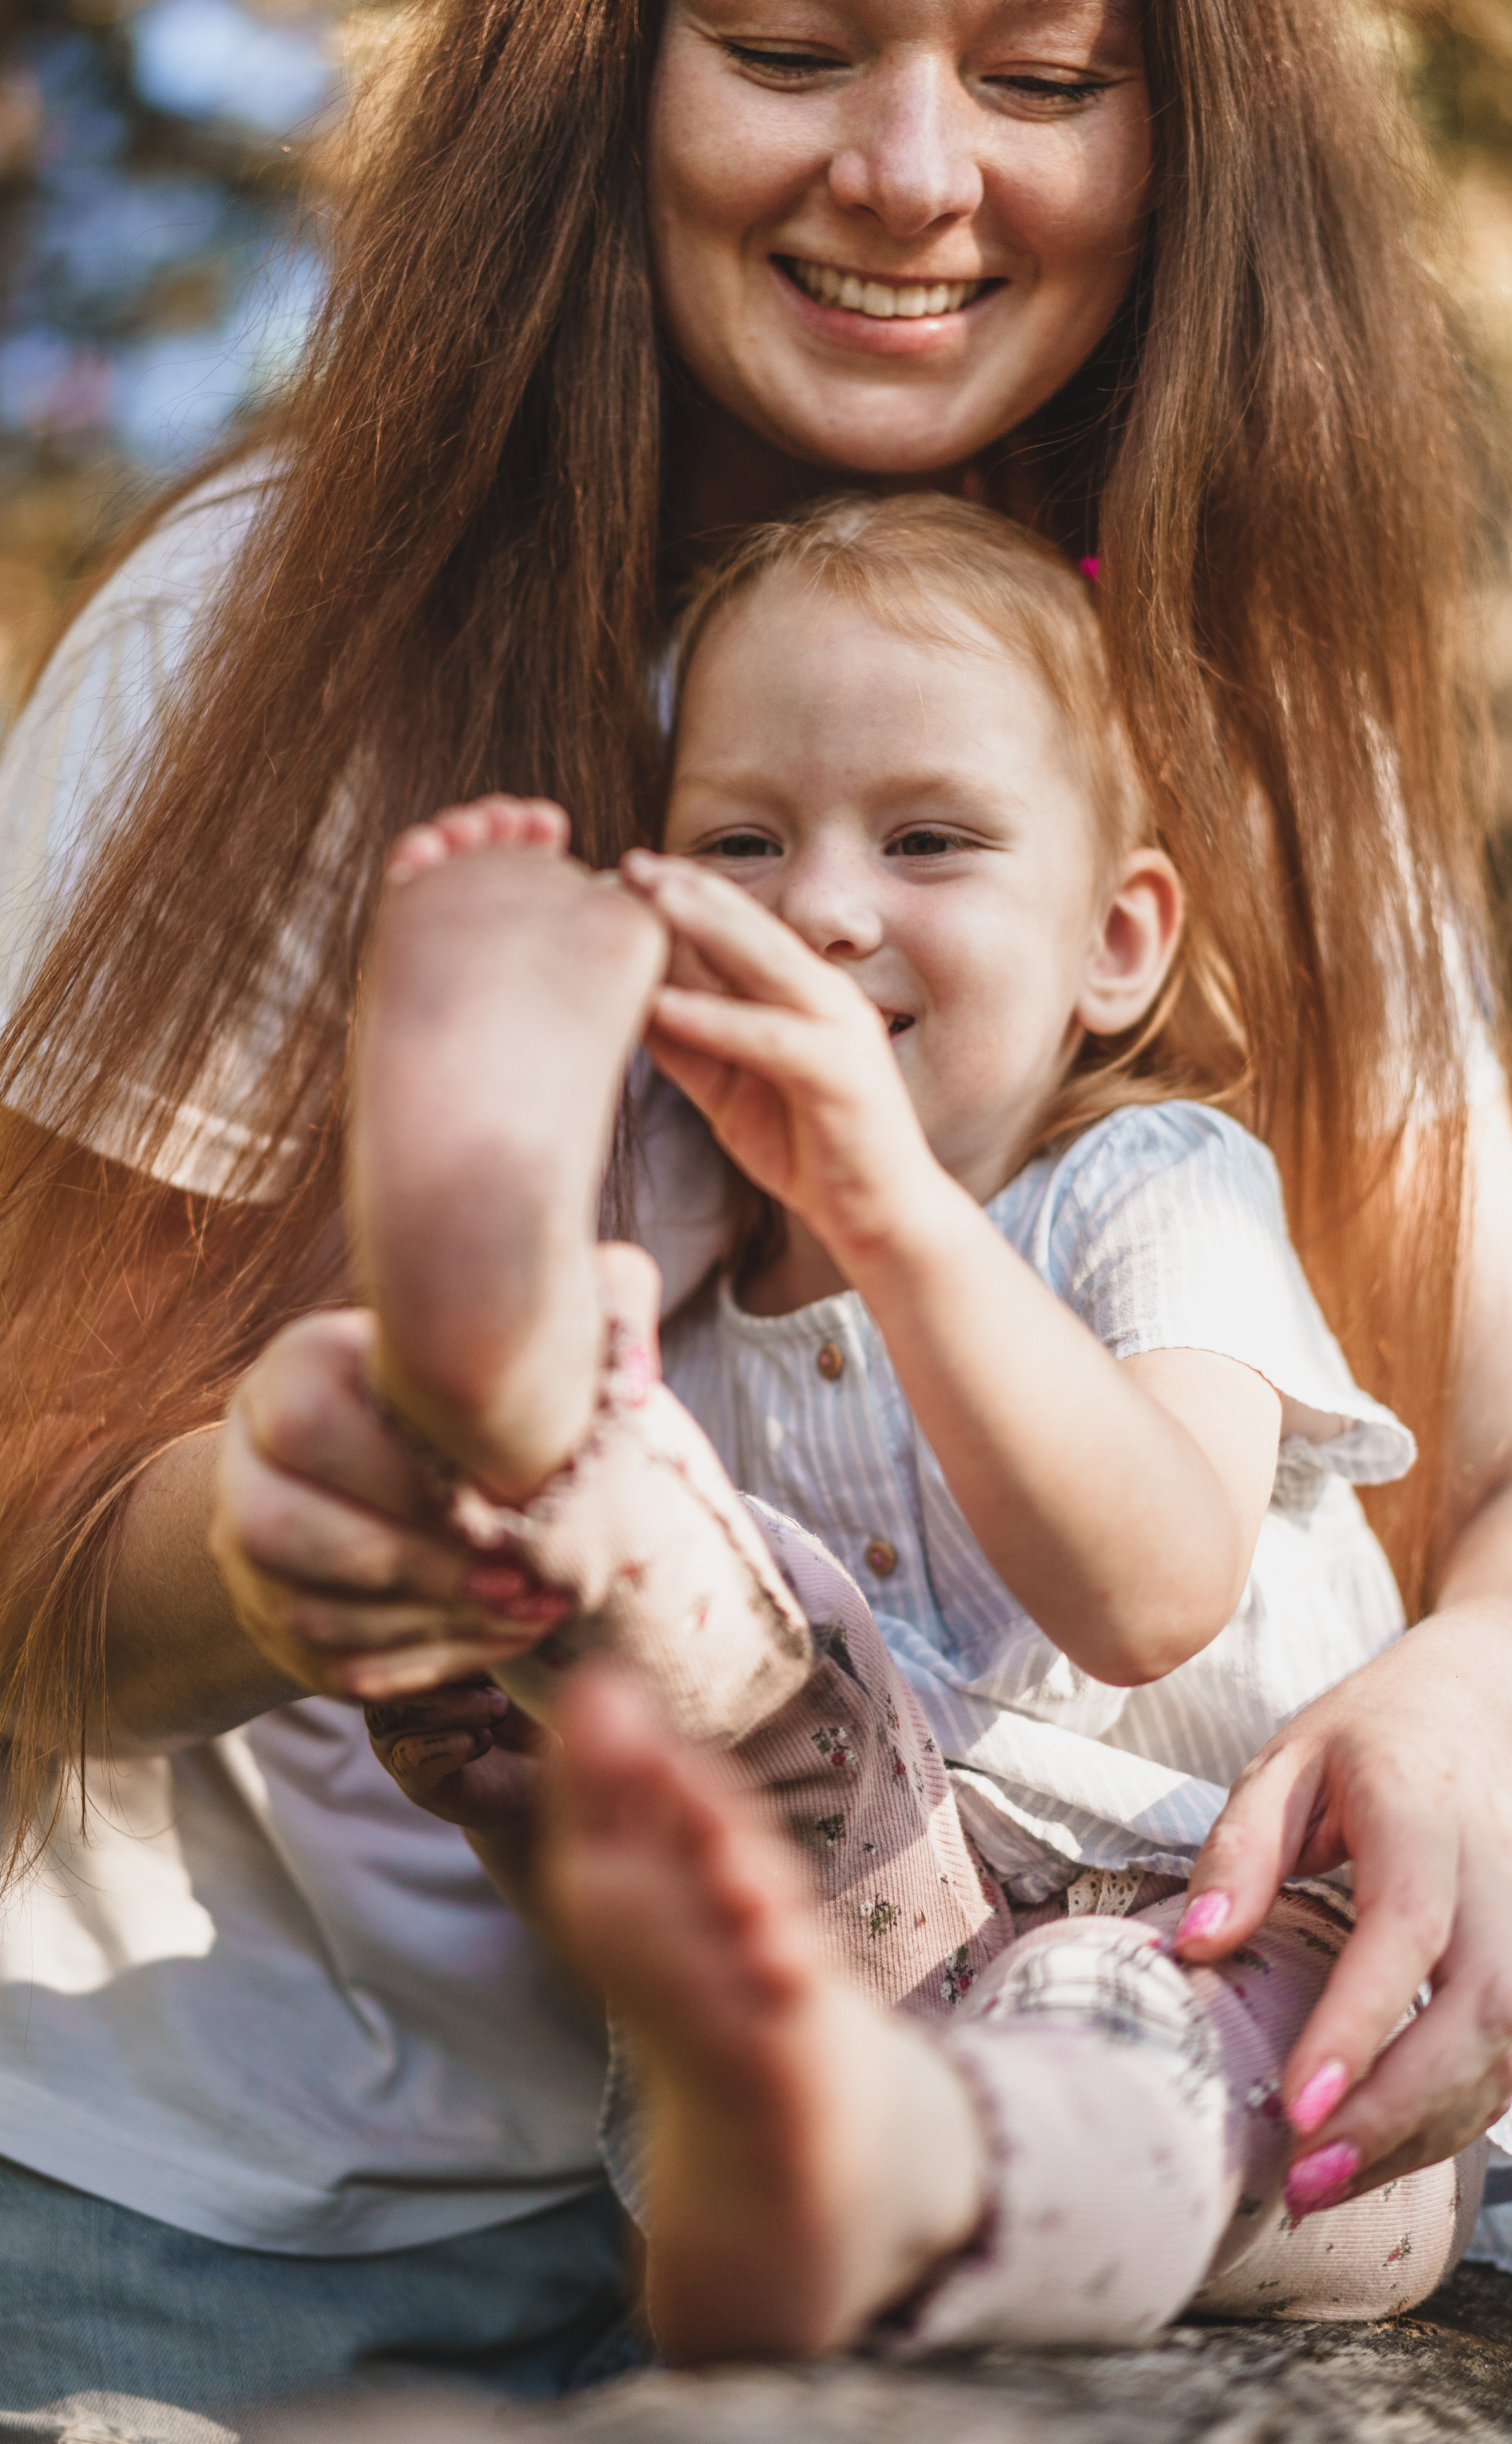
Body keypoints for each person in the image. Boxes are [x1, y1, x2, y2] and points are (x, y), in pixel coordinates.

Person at [0, 0, 1509, 2428]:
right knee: (666, 1532)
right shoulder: (265, 627)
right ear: (593, 81)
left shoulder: (1242, 685)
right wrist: (303, 1536)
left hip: (873, 2130)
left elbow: (1480, 1458)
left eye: (1047, 75)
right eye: (789, 46)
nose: (921, 174)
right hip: (216, 2225)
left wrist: (1479, 1687)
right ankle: (498, 1415)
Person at [355, 494, 1484, 2359]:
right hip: (856, 1970)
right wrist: (528, 1764)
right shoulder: (701, 1319)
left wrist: (890, 1210)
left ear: (1114, 944)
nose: (821, 906)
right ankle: (494, 1278)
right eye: (739, 843)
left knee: (1132, 2037)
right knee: (674, 1534)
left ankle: (931, 2179)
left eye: (931, 838)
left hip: (1250, 1972)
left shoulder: (1152, 1187)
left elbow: (1152, 1590)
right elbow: (711, 1785)